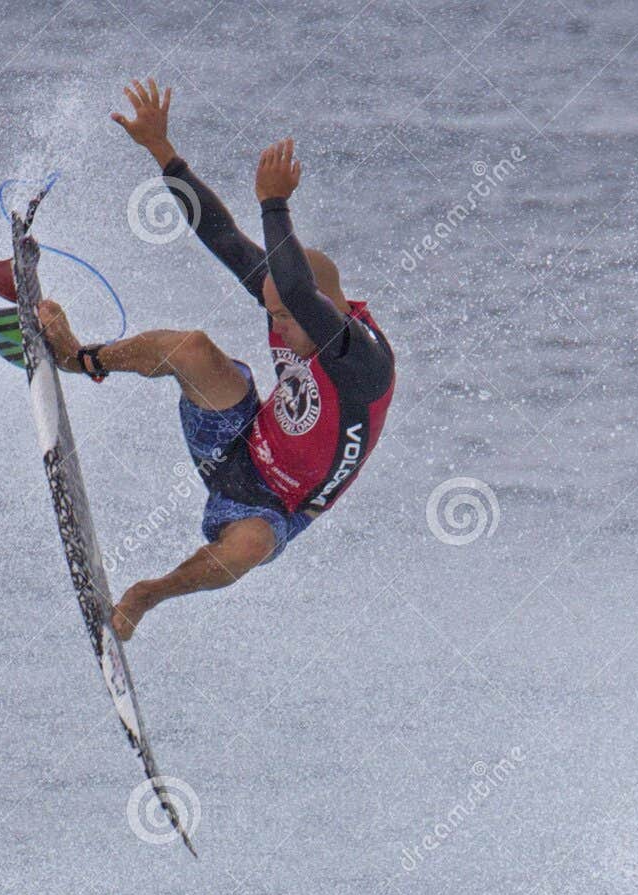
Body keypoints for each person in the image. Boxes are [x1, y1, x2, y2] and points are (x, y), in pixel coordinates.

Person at [34, 79, 396, 640]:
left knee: (249, 546)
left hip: (277, 506)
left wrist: (274, 203)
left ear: (329, 311)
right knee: (192, 348)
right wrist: (162, 151)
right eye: (270, 312)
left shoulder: (362, 362)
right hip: (238, 439)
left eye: (288, 316)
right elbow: (223, 236)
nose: (276, 325)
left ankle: (148, 595)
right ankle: (77, 358)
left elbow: (299, 291)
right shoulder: (286, 299)